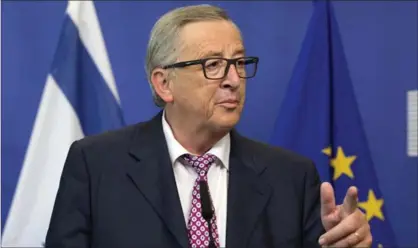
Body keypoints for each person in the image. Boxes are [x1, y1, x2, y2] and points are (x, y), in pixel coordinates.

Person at [45, 4, 372, 248]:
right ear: (164, 84)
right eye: (213, 65)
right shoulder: (96, 165)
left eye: (239, 63)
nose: (234, 80)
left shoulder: (292, 177)